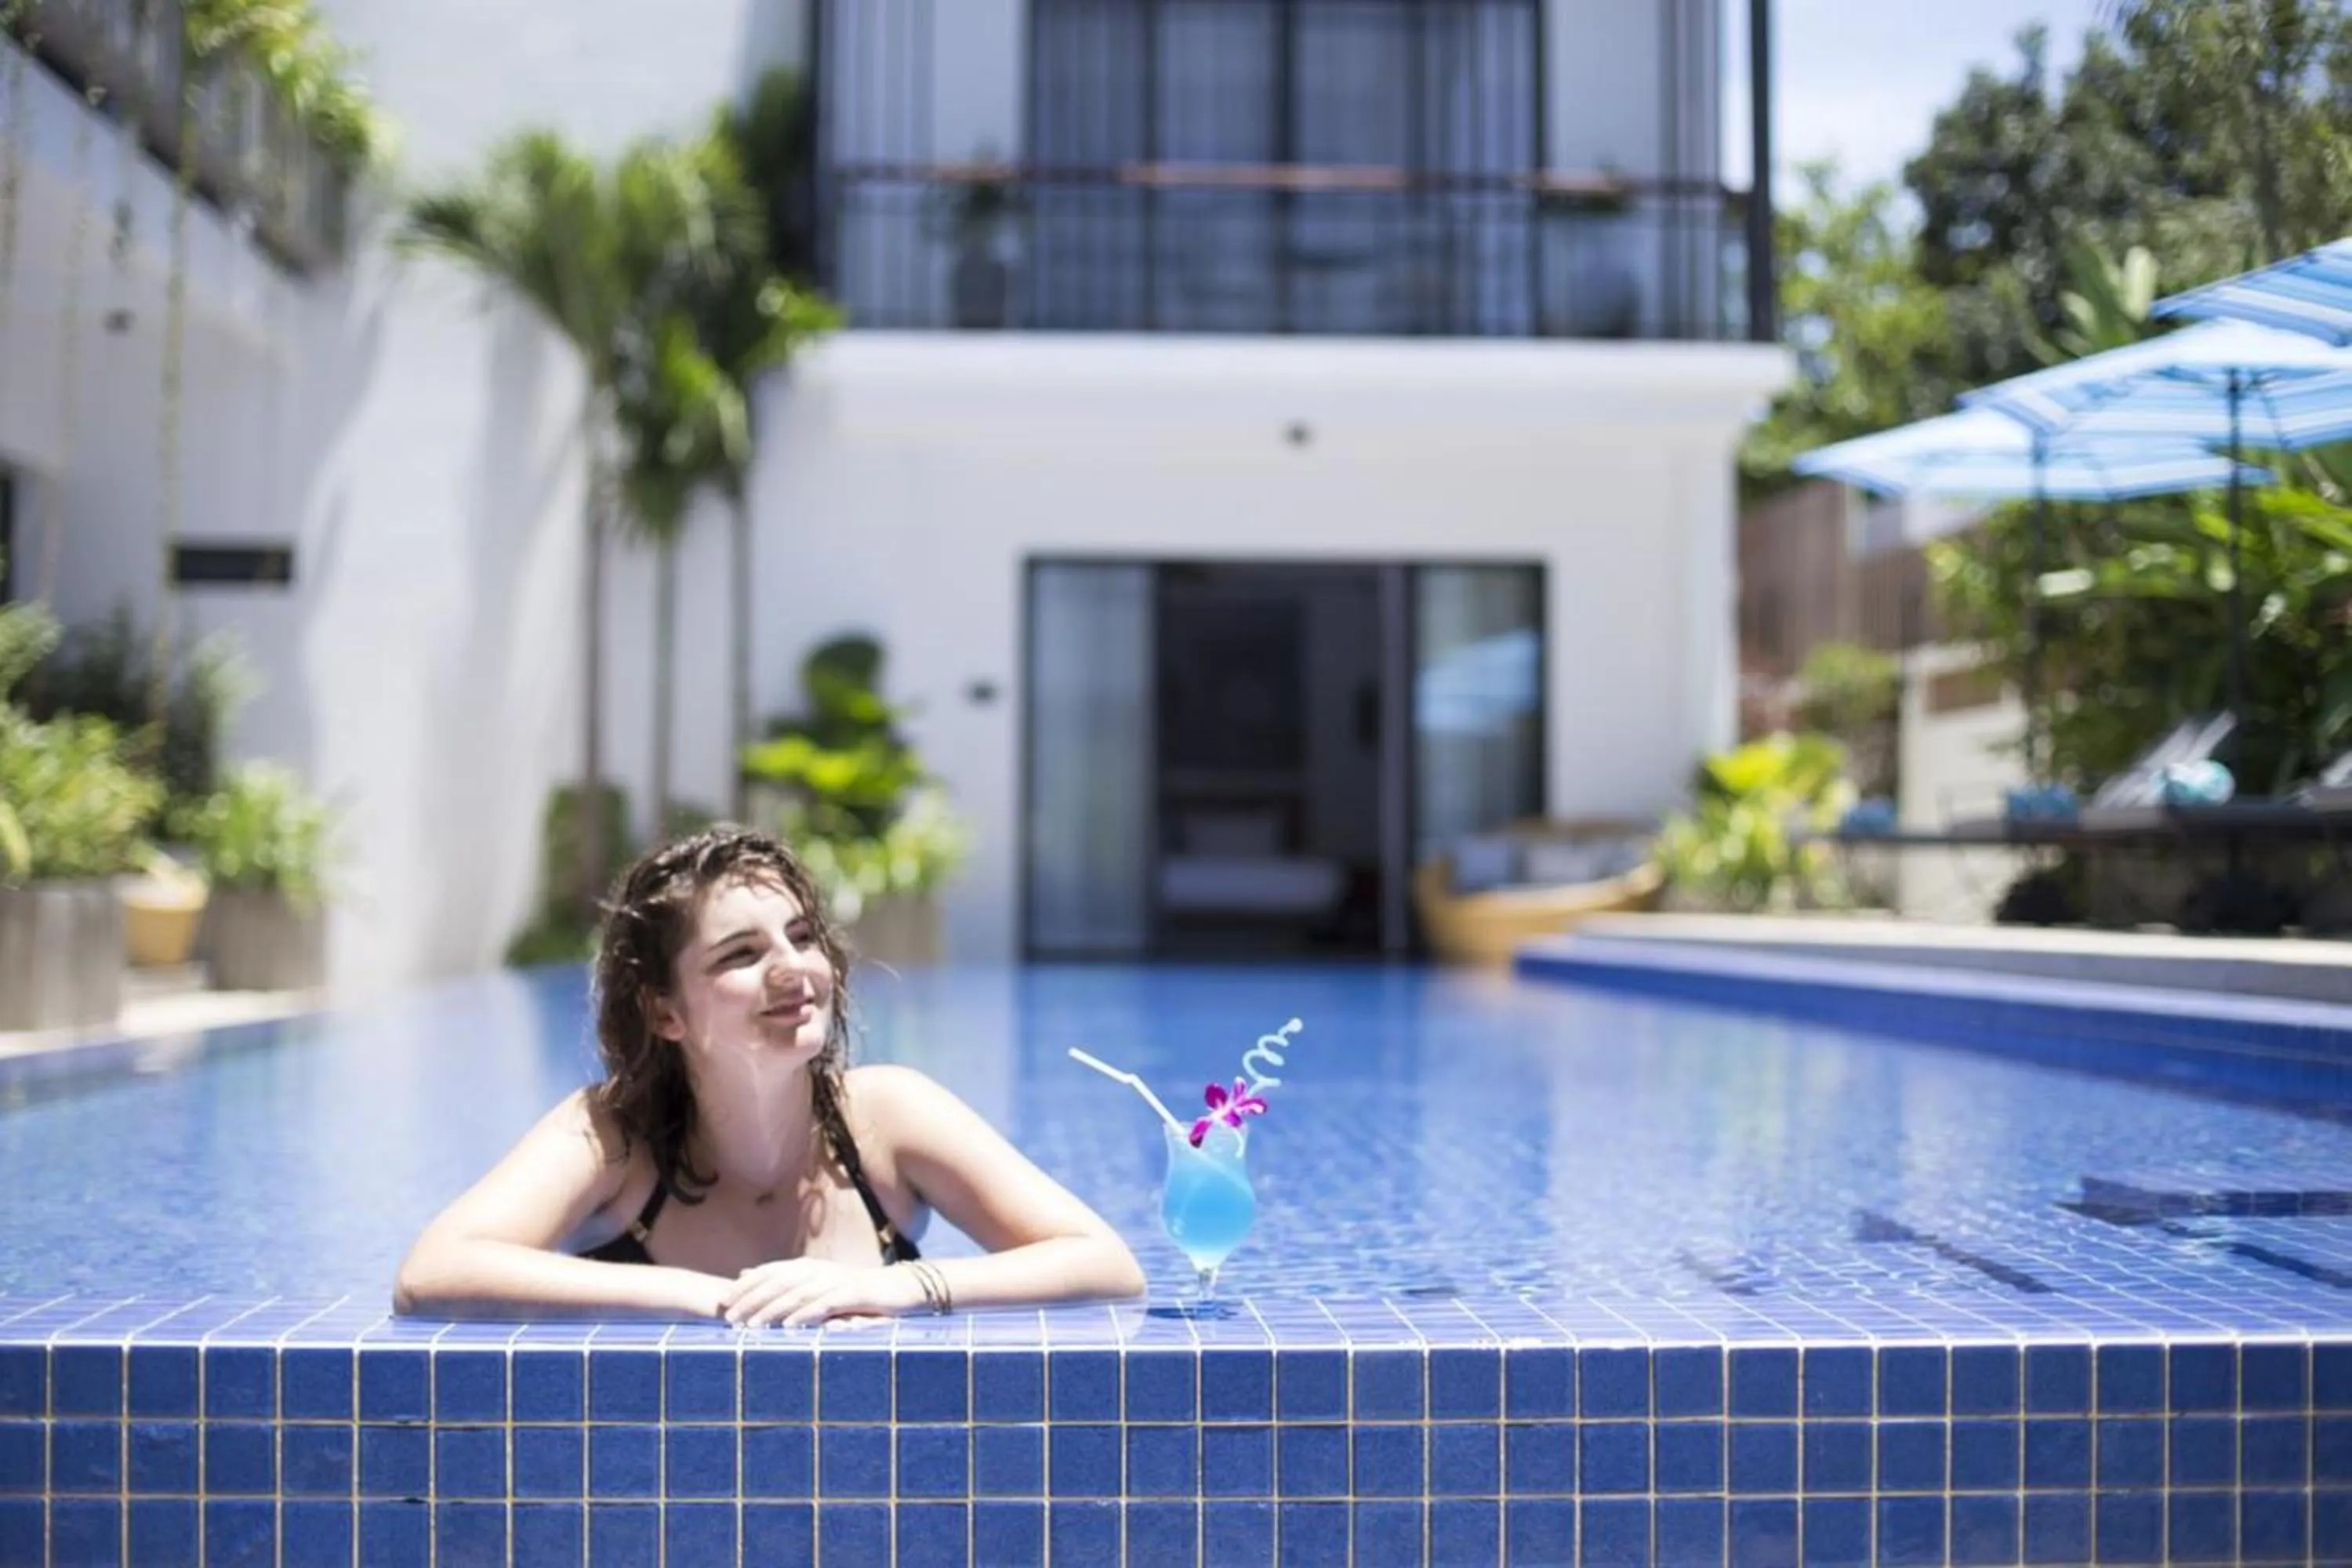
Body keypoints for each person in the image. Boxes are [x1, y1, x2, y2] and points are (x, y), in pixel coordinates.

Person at [394, 825, 1145, 1324]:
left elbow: (1105, 1263)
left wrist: (893, 1287)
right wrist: (713, 1299)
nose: (793, 969)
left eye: (801, 936)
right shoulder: (610, 1135)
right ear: (665, 1014)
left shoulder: (888, 1117)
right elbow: (434, 1274)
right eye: (740, 956)